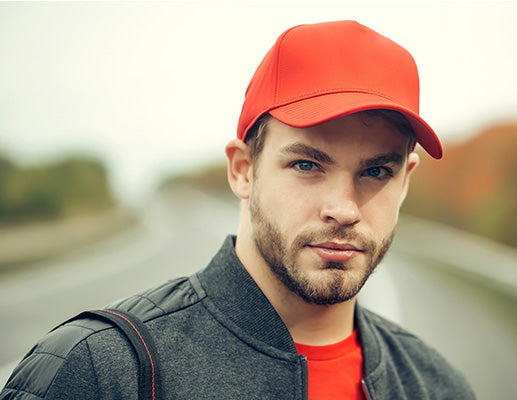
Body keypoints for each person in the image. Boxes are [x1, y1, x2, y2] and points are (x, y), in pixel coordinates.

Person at [1, 20, 475, 399]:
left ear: (406, 179)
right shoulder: (102, 370)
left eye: (377, 172)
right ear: (244, 171)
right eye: (308, 164)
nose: (343, 208)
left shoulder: (436, 385)